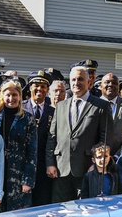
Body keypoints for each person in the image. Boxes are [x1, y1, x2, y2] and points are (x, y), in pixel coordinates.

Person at [46, 65, 108, 202]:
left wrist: (96, 163)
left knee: (86, 211)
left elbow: (105, 138)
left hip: (87, 169)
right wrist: (50, 163)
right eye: (73, 79)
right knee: (61, 213)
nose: (76, 83)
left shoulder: (101, 106)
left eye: (80, 79)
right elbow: (52, 137)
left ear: (89, 82)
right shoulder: (61, 106)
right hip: (61, 169)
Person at [0, 81, 36, 212]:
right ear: (2, 96)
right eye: (8, 95)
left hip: (18, 174)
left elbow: (32, 151)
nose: (11, 99)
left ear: (20, 96)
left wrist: (28, 180)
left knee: (17, 216)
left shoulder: (28, 118)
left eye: (15, 95)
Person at [23, 73, 55, 205]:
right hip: (23, 165)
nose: (39, 89)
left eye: (43, 86)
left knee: (42, 204)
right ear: (30, 87)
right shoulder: (21, 108)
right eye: (36, 85)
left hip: (43, 166)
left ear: (47, 90)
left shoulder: (53, 112)